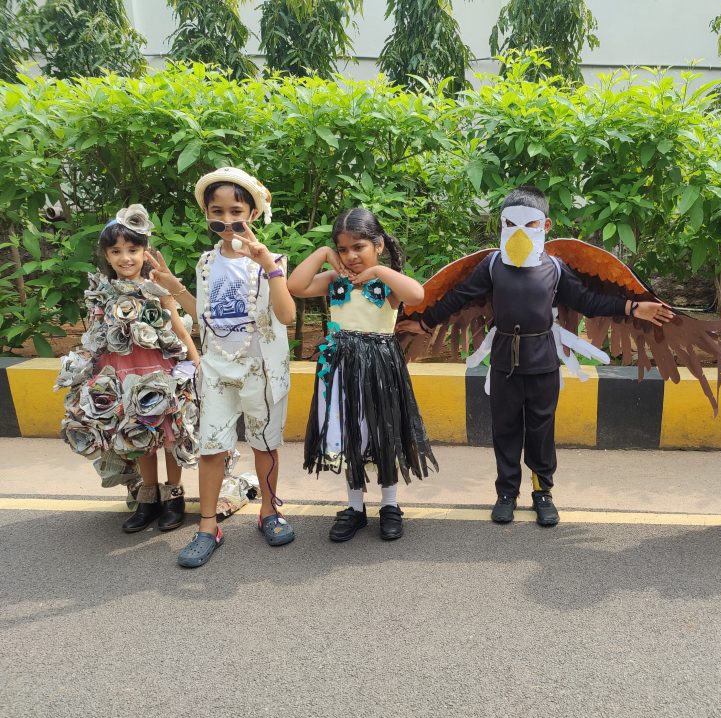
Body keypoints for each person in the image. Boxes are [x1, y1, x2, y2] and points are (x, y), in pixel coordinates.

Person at [399, 185, 674, 527]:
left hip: (543, 361)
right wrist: (424, 322)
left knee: (541, 430)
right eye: (510, 224)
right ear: (501, 224)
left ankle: (543, 492)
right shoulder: (492, 265)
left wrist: (633, 307)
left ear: (545, 225)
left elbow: (588, 301)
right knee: (505, 429)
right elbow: (459, 296)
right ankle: (506, 493)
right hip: (504, 362)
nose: (519, 232)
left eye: (529, 224)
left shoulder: (555, 268)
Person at [147, 167, 297, 568]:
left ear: (253, 213)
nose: (227, 220)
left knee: (265, 443)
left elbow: (287, 316)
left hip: (261, 368)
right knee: (212, 446)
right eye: (218, 212)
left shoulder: (271, 261)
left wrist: (270, 267)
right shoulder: (205, 263)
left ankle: (270, 511)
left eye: (236, 212)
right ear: (207, 215)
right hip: (216, 369)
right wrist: (175, 288)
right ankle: (207, 526)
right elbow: (205, 317)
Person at [288, 208, 437, 542]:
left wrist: (379, 271)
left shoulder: (387, 282)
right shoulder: (334, 280)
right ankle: (355, 507)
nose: (351, 256)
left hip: (380, 369)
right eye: (342, 249)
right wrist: (323, 254)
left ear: (378, 245)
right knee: (350, 432)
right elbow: (295, 285)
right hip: (341, 369)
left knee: (384, 432)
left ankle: (390, 504)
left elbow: (417, 295)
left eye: (359, 247)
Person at [55, 204, 199, 533]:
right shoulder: (102, 292)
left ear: (145, 251)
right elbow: (96, 335)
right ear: (106, 256)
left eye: (133, 250)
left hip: (161, 369)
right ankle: (148, 498)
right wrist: (86, 372)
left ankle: (174, 496)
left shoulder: (156, 286)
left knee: (170, 432)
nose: (125, 258)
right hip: (119, 372)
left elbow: (178, 328)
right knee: (138, 430)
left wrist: (195, 362)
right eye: (116, 251)